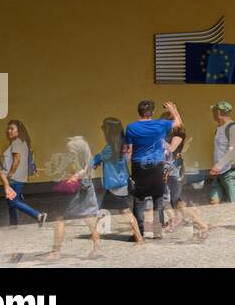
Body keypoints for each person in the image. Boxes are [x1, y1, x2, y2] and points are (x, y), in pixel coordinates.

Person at [47, 136, 123, 260]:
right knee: (87, 219)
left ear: (79, 151)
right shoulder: (80, 158)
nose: (69, 153)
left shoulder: (86, 160)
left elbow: (85, 170)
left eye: (71, 151)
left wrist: (75, 176)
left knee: (62, 218)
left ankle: (56, 251)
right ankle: (95, 249)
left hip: (81, 191)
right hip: (83, 190)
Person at [123, 99, 183, 239]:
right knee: (158, 198)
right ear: (153, 112)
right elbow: (178, 123)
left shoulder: (131, 127)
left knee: (139, 199)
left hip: (139, 166)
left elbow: (129, 149)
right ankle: (157, 231)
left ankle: (140, 233)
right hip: (157, 165)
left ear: (139, 112)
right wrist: (173, 110)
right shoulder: (160, 124)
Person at [161, 109, 209, 238]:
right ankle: (180, 221)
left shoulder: (177, 135)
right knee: (175, 201)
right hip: (172, 171)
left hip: (172, 172)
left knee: (174, 202)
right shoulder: (171, 135)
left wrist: (158, 139)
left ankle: (199, 223)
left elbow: (171, 149)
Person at [0, 119, 46, 227]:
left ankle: (38, 215)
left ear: (19, 131)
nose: (9, 131)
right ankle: (13, 224)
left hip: (15, 178)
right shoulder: (21, 142)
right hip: (18, 177)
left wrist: (9, 174)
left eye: (12, 129)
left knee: (13, 201)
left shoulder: (17, 143)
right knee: (10, 201)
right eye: (8, 129)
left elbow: (16, 160)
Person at [207, 101, 235, 203]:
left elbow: (233, 150)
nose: (212, 114)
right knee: (214, 201)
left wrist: (218, 166)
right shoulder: (219, 128)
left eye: (214, 112)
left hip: (232, 173)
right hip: (220, 173)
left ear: (218, 113)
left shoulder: (234, 127)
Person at [90, 117, 131, 217]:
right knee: (105, 210)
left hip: (116, 185)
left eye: (104, 128)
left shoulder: (110, 148)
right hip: (119, 184)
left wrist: (87, 165)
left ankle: (138, 233)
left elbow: (98, 158)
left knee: (124, 211)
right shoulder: (122, 144)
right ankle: (95, 232)